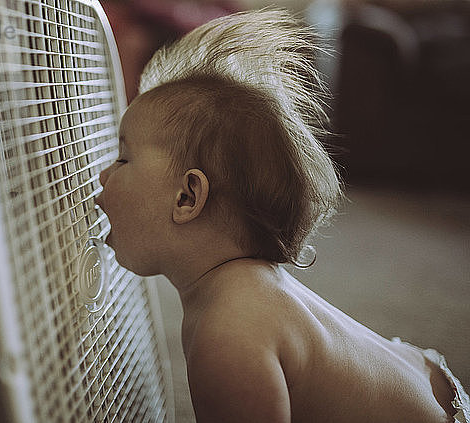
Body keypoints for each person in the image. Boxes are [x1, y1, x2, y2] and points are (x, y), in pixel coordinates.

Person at [94, 8, 469, 423]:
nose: (102, 175)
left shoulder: (228, 336)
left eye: (123, 159)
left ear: (187, 197)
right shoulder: (248, 292)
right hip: (427, 378)